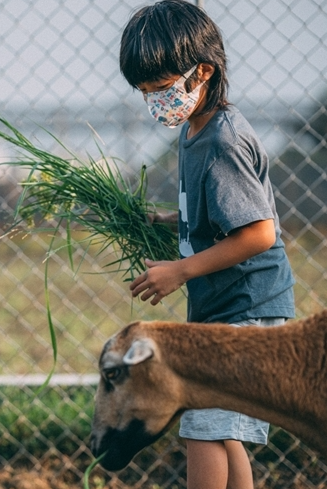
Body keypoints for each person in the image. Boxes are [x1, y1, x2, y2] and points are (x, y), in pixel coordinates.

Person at [118, 1, 295, 488]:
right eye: (145, 93)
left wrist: (180, 270)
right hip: (225, 306)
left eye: (161, 89)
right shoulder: (194, 130)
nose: (155, 102)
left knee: (202, 427)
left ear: (202, 72)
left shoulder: (222, 140)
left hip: (248, 307)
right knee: (222, 430)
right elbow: (219, 214)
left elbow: (259, 233)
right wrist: (168, 219)